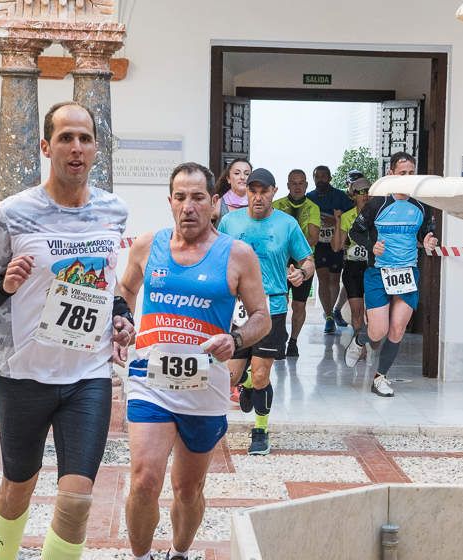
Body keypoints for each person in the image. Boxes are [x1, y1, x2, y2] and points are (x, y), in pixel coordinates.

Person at [0, 101, 133, 560]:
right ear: (46, 146)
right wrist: (5, 284)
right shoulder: (13, 213)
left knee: (77, 498)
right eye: (65, 138)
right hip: (23, 376)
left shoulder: (113, 211)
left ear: (96, 148)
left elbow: (107, 285)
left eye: (84, 138)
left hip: (88, 377)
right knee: (18, 486)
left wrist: (121, 316)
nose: (75, 148)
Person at [119, 162, 270, 560]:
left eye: (198, 197)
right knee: (144, 480)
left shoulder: (238, 255)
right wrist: (122, 322)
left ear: (215, 202)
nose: (189, 206)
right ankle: (140, 556)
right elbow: (125, 289)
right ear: (170, 202)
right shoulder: (147, 245)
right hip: (149, 381)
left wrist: (234, 339)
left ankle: (180, 553)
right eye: (180, 198)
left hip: (205, 387)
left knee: (188, 490)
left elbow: (262, 318)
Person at [218, 168, 315, 454]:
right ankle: (245, 381)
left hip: (272, 307)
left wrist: (302, 273)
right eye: (252, 190)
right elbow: (214, 257)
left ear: (273, 192)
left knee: (262, 375)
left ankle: (260, 430)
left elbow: (307, 259)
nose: (257, 197)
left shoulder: (287, 225)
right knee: (230, 378)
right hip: (236, 309)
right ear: (245, 192)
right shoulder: (229, 222)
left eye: (264, 191)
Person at [349, 152, 438, 397]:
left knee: (397, 329)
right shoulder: (378, 203)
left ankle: (380, 377)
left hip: (408, 272)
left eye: (411, 173)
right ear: (391, 174)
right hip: (379, 273)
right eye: (402, 173)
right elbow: (355, 232)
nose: (407, 178)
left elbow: (425, 235)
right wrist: (371, 245)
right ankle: (360, 339)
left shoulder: (421, 205)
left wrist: (429, 241)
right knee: (378, 331)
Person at [272, 169, 321, 357]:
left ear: (307, 185)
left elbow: (313, 237)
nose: (297, 186)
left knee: (299, 305)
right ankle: (279, 338)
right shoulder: (276, 205)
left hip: (303, 261)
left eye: (301, 183)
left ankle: (293, 341)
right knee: (280, 302)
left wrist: (294, 249)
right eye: (294, 183)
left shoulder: (313, 207)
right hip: (280, 262)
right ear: (288, 185)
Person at [307, 165, 353, 334]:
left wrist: (335, 221)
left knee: (334, 280)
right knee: (323, 279)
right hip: (319, 244)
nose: (320, 179)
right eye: (317, 177)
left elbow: (352, 217)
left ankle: (332, 313)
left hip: (337, 242)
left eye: (324, 176)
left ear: (330, 178)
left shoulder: (340, 196)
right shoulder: (309, 198)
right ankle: (328, 316)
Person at [332, 176, 372, 367]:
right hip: (353, 266)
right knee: (356, 311)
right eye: (360, 192)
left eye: (367, 191)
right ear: (353, 195)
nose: (364, 195)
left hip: (372, 266)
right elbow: (337, 246)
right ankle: (359, 347)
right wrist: (339, 222)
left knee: (371, 312)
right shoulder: (347, 216)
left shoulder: (376, 214)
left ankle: (367, 341)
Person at [213, 157, 252, 224]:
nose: (242, 177)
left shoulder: (256, 204)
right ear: (228, 179)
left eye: (247, 174)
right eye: (237, 173)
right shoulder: (218, 204)